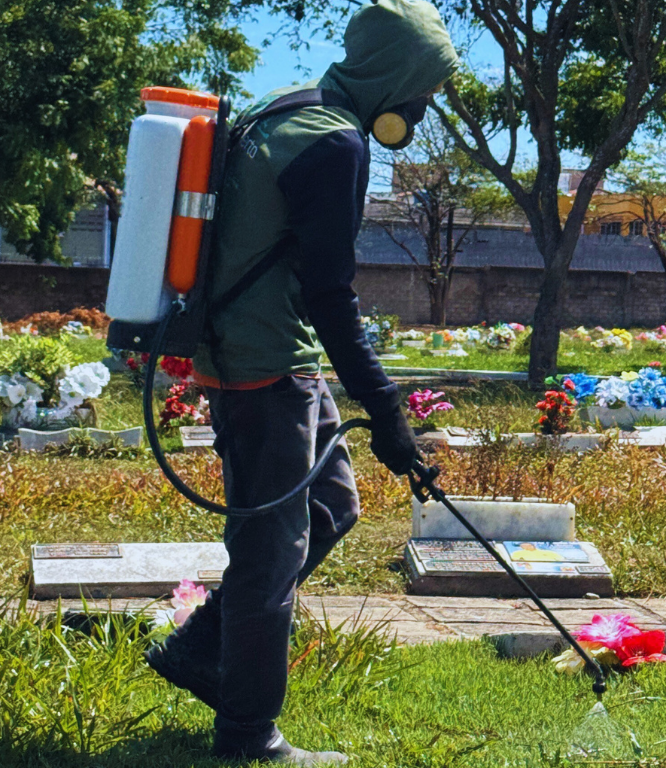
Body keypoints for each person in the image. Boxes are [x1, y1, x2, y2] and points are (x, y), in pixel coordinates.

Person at [144, 1, 458, 763]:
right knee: (270, 551)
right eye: (420, 91)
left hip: (273, 355)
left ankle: (202, 650)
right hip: (262, 369)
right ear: (395, 77)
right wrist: (387, 411)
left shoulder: (285, 111)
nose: (419, 110)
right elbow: (330, 292)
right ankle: (248, 736)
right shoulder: (336, 143)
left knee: (334, 504)